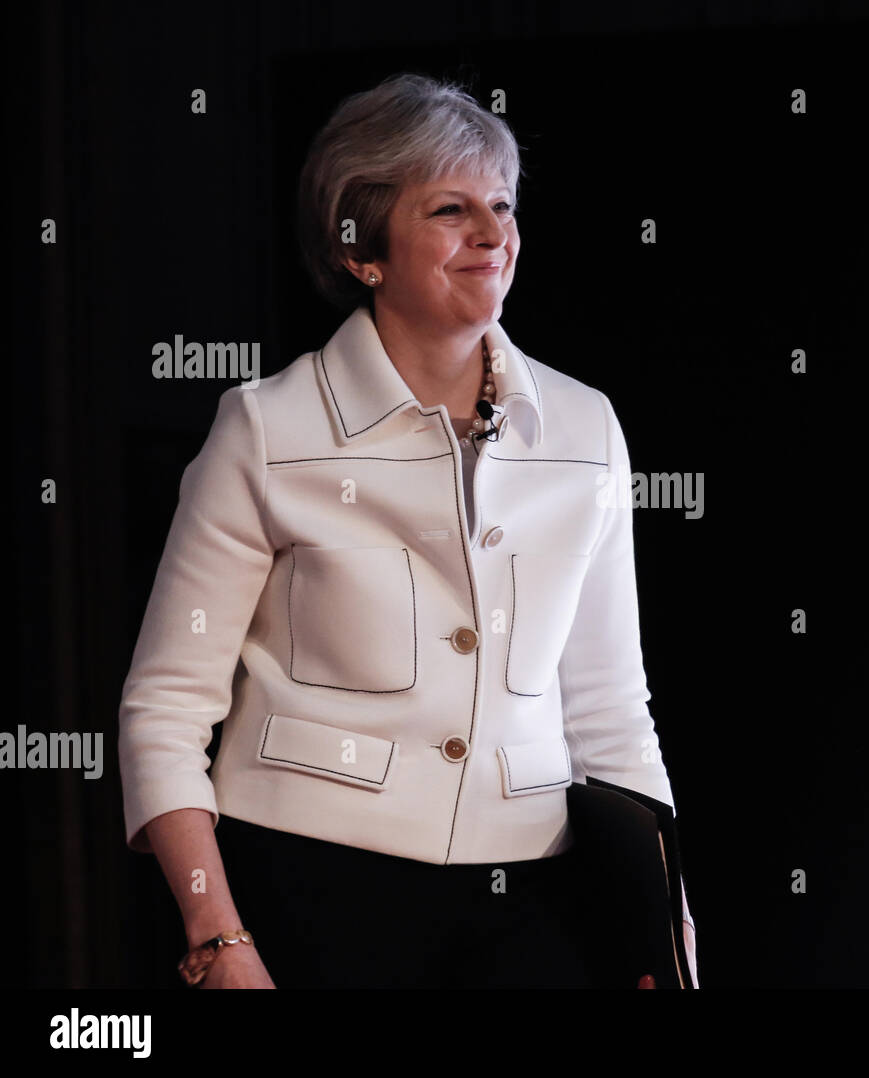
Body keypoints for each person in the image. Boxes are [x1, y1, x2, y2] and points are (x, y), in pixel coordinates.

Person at [117, 71, 697, 989]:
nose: (494, 235)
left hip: (535, 903)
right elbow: (165, 711)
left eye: (502, 206)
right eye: (452, 209)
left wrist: (662, 922)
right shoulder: (266, 427)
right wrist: (217, 939)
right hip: (312, 890)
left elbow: (612, 711)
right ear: (361, 250)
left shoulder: (587, 429)